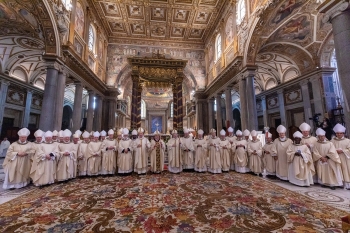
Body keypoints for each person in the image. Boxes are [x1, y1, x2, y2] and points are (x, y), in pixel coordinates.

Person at [331, 124, 350, 190]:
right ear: (336, 134)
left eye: (340, 133)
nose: (339, 134)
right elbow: (330, 148)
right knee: (337, 170)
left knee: (345, 170)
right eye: (337, 133)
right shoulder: (332, 141)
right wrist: (335, 151)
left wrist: (342, 151)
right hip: (336, 158)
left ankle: (347, 184)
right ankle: (339, 183)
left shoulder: (347, 141)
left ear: (343, 133)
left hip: (345, 158)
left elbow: (349, 149)